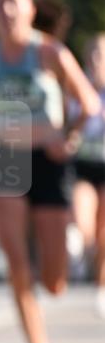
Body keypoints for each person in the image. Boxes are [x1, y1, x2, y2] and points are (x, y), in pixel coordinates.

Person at [0, 0, 101, 343]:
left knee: (55, 280)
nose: (7, 10)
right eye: (0, 2)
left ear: (30, 9)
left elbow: (89, 102)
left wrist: (69, 139)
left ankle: (69, 247)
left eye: (15, 3)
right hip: (6, 162)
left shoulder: (48, 52)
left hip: (47, 163)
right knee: (15, 266)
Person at [70, 34, 105, 316]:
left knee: (104, 232)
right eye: (92, 53)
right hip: (83, 166)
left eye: (101, 54)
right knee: (85, 227)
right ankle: (83, 250)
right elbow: (65, 128)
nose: (96, 60)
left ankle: (101, 286)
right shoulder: (76, 89)